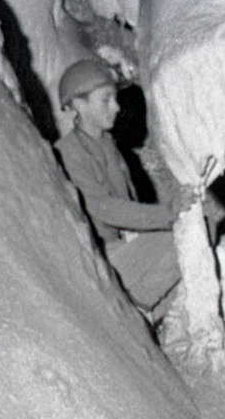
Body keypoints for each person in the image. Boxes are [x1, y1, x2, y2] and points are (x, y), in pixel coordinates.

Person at [54, 59, 191, 321]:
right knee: (179, 242)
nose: (116, 108)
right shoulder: (68, 153)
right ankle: (134, 314)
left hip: (122, 248)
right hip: (100, 257)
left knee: (193, 237)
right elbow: (102, 208)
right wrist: (166, 214)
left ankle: (151, 315)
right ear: (79, 105)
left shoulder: (108, 144)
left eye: (115, 99)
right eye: (106, 100)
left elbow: (127, 202)